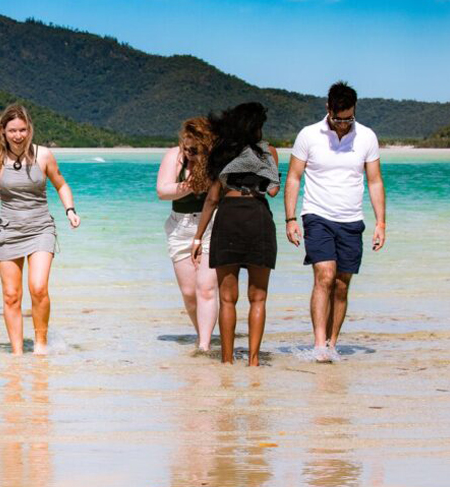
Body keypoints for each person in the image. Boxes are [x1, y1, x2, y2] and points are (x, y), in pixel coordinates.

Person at [284, 82, 386, 363]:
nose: (342, 125)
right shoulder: (308, 135)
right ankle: (319, 344)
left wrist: (381, 223)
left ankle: (332, 343)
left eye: (348, 118)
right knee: (324, 276)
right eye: (337, 118)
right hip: (317, 215)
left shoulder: (366, 137)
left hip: (352, 219)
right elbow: (293, 177)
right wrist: (291, 218)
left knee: (341, 284)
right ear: (328, 109)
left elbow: (375, 181)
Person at [0, 104, 80, 355]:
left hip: (41, 227)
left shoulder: (43, 156)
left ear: (29, 129)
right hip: (8, 231)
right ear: (3, 131)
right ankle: (17, 355)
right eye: (12, 131)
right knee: (11, 295)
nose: (18, 135)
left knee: (38, 288)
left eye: (22, 129)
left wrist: (70, 211)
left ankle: (40, 348)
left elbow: (61, 185)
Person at [191, 103, 280, 366]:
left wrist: (198, 237)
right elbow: (272, 191)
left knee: (227, 298)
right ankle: (253, 362)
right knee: (258, 297)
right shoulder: (268, 152)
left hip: (228, 218)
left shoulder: (223, 153)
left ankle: (227, 361)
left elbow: (212, 199)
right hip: (257, 218)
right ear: (255, 126)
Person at [156, 117, 218, 352]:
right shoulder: (175, 155)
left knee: (206, 288)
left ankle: (204, 345)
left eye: (195, 149)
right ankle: (201, 334)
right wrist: (191, 185)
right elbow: (162, 191)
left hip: (211, 224)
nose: (190, 153)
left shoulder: (215, 161)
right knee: (190, 293)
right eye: (187, 147)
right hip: (180, 227)